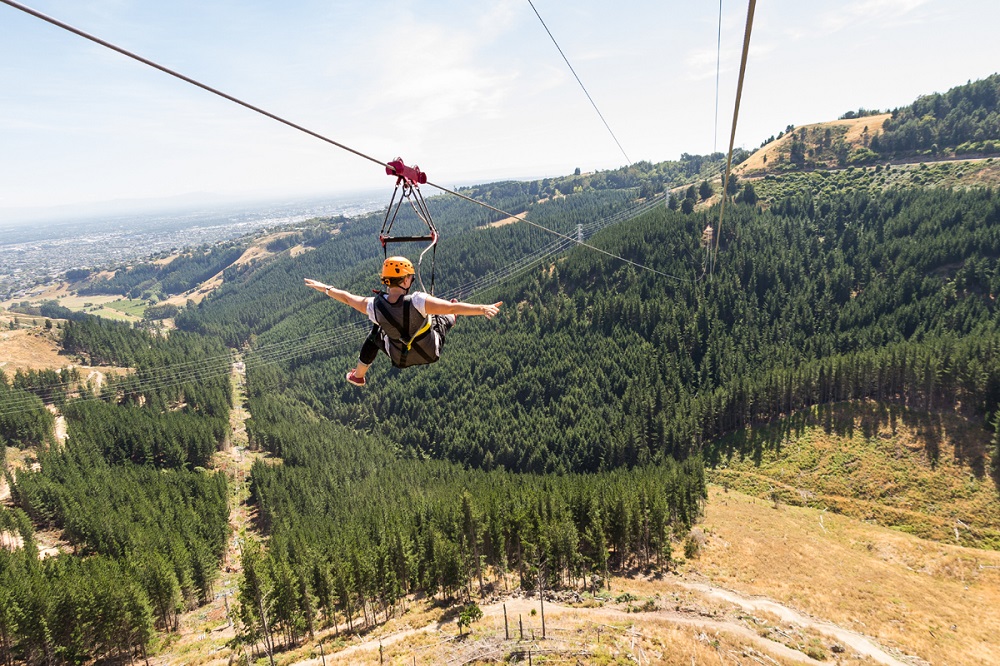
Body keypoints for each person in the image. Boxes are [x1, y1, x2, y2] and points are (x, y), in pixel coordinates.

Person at [305, 256, 502, 386]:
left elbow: (347, 298)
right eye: (411, 279)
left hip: (399, 358)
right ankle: (451, 321)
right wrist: (482, 308)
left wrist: (325, 288)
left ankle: (358, 376)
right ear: (406, 280)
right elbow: (451, 309)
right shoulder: (418, 301)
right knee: (444, 316)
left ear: (386, 280)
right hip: (430, 351)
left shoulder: (374, 306)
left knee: (375, 333)